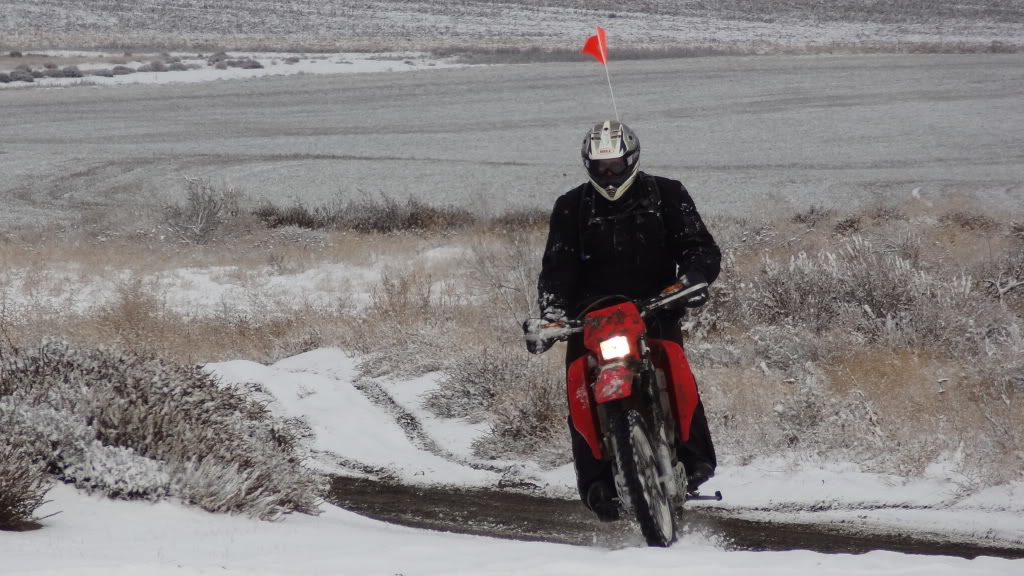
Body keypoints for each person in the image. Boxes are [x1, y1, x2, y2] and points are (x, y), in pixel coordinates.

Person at [531, 120, 721, 521]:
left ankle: (695, 457)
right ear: (588, 166)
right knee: (579, 389)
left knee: (678, 373)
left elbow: (697, 244)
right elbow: (557, 268)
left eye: (616, 165)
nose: (610, 174)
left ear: (631, 159)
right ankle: (597, 484)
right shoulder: (570, 206)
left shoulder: (667, 193)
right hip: (590, 320)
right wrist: (551, 315)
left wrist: (694, 277)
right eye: (602, 167)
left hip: (655, 308)